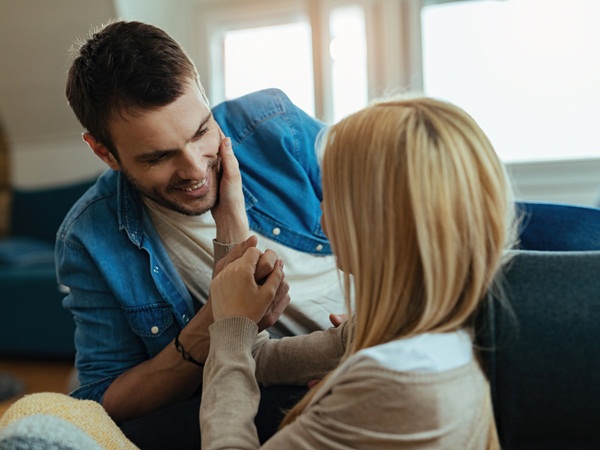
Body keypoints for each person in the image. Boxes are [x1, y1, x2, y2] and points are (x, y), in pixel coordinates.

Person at [58, 20, 345, 449]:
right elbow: (101, 400)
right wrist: (218, 318)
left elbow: (407, 224)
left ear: (204, 97)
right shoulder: (90, 237)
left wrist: (375, 340)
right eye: (159, 157)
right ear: (104, 151)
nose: (195, 170)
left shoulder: (274, 124)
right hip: (256, 386)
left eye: (201, 132)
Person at [200, 96, 519, 449]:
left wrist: (230, 323)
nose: (321, 205)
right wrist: (231, 226)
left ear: (373, 221)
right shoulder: (412, 327)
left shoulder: (393, 385)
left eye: (331, 191)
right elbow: (258, 361)